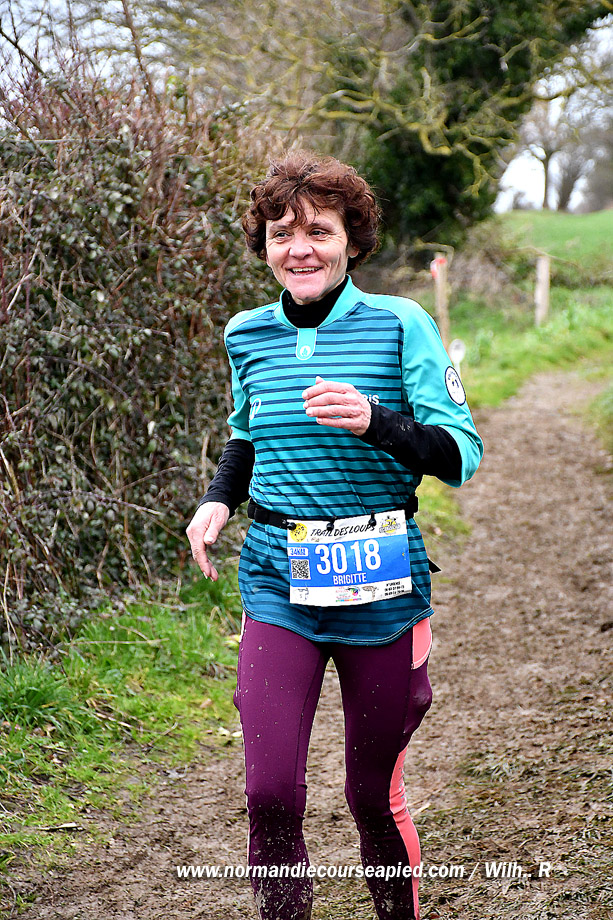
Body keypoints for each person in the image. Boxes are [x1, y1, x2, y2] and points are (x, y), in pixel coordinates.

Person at [186, 151, 483, 920]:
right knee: (268, 794)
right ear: (263, 247)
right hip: (276, 579)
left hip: (381, 584)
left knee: (370, 796)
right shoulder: (246, 334)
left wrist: (377, 422)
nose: (300, 249)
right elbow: (247, 433)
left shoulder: (400, 324)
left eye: (319, 230)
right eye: (281, 234)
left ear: (352, 238)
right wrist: (218, 501)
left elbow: (460, 455)